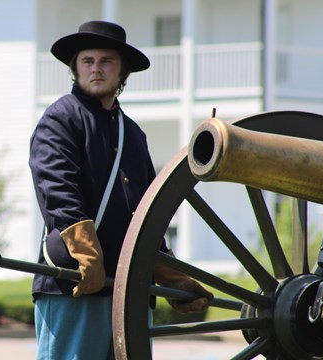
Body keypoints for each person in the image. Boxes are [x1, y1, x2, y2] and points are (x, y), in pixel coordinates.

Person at [28, 20, 214, 359]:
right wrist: (87, 253)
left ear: (122, 72)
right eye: (88, 61)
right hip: (77, 282)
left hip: (128, 289)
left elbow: (145, 209)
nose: (96, 69)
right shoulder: (61, 118)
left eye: (106, 61)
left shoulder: (133, 133)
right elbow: (56, 187)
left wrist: (168, 272)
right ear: (75, 68)